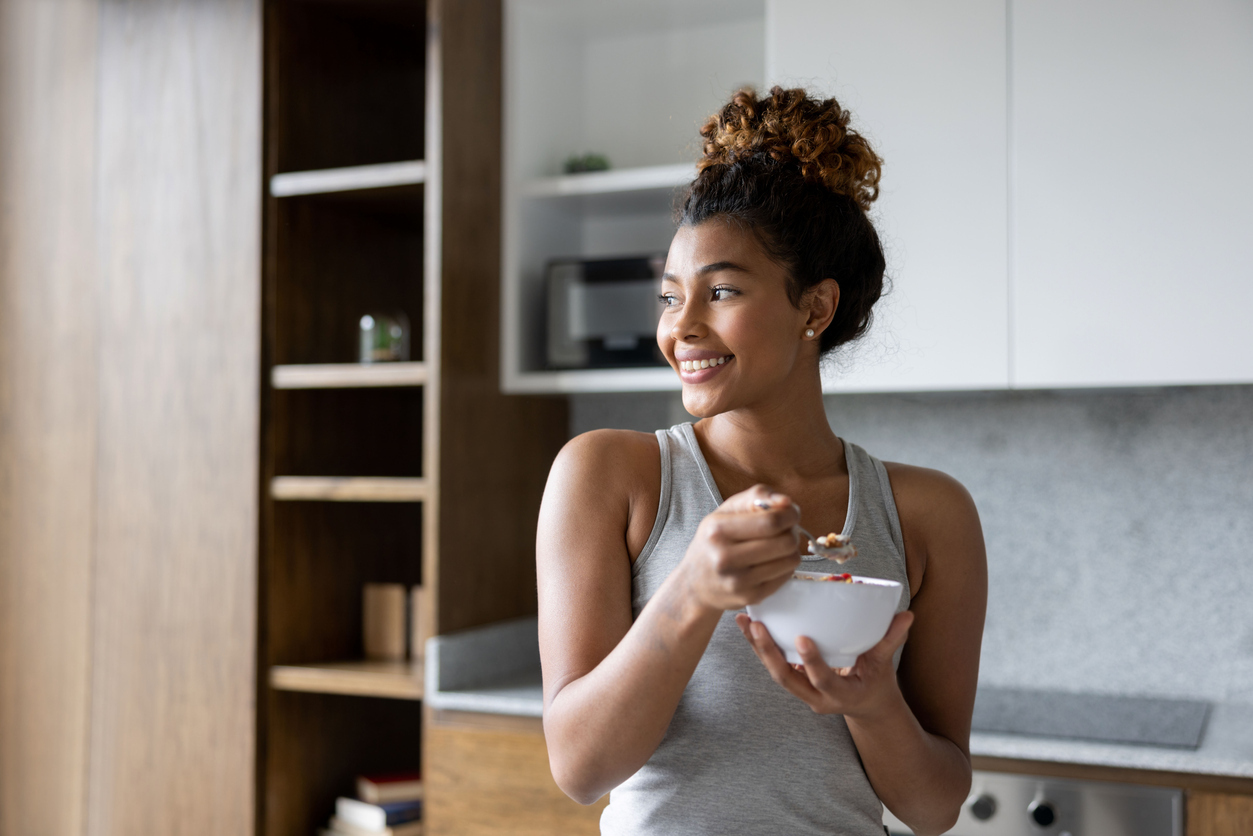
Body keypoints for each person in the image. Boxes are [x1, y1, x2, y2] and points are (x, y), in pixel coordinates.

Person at [536, 86, 987, 836]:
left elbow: (935, 806)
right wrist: (691, 591)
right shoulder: (610, 477)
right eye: (670, 296)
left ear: (813, 309)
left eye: (719, 292)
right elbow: (580, 770)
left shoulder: (927, 514)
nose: (681, 327)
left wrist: (872, 705)